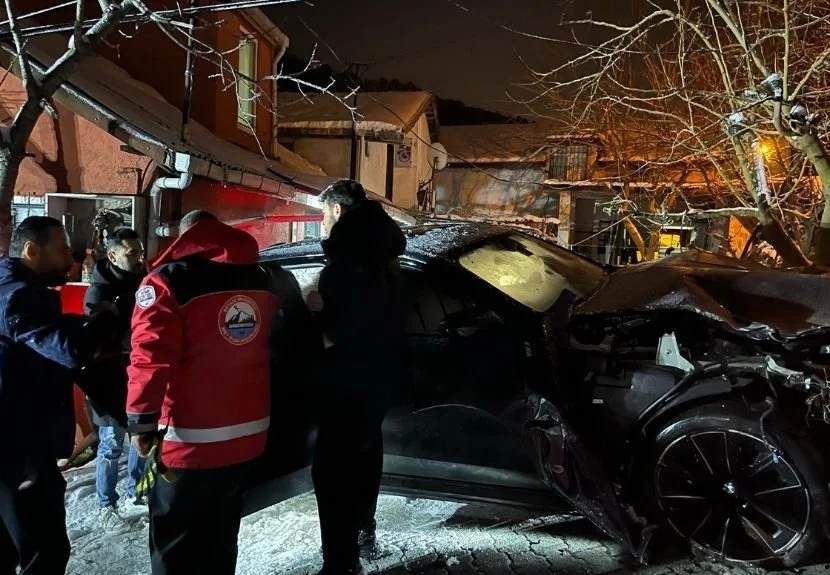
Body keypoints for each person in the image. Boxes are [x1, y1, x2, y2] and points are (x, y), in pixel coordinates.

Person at [126, 210, 282, 575]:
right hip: (247, 436)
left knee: (176, 544)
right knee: (221, 536)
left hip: (188, 441)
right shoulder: (264, 278)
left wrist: (141, 421)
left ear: (186, 237)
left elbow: (150, 357)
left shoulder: (166, 281)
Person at [0, 216, 119, 575]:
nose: (71, 258)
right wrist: (102, 322)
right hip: (17, 442)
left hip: (15, 438)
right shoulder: (18, 296)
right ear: (32, 250)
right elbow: (65, 348)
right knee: (44, 548)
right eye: (63, 250)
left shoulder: (13, 288)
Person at [306, 180, 406, 575]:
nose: (323, 222)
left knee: (332, 473)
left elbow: (341, 331)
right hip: (377, 379)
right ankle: (363, 533)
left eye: (324, 213)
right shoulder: (382, 252)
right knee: (364, 459)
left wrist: (316, 313)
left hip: (347, 382)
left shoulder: (349, 259)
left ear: (338, 210)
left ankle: (340, 563)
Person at [83, 227, 147, 533]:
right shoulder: (99, 292)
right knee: (111, 444)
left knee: (141, 436)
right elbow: (94, 340)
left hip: (139, 376)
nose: (139, 258)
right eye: (132, 253)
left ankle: (137, 493)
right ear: (112, 255)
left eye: (140, 252)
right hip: (110, 381)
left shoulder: (146, 283)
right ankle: (105, 506)